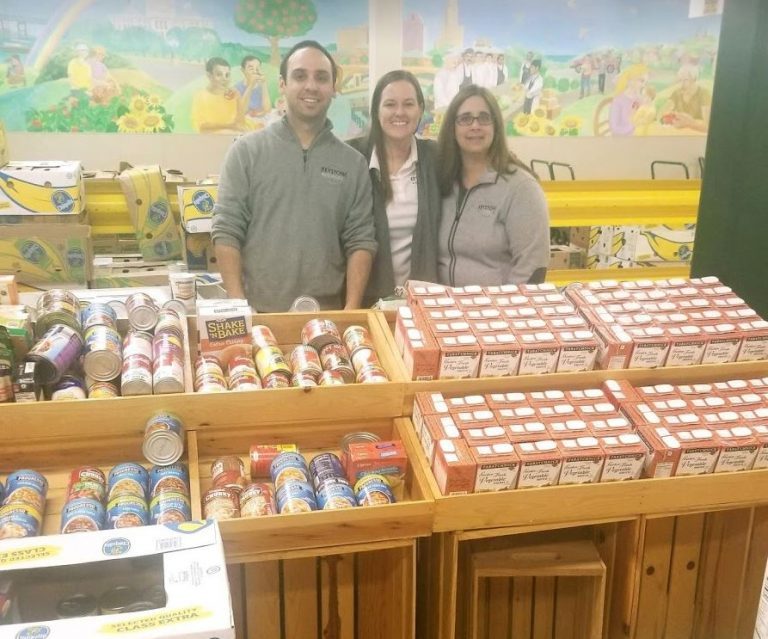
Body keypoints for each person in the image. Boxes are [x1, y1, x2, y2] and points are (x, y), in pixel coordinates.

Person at [211, 40, 376, 311]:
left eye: (321, 77)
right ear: (283, 84)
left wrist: (351, 310)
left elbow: (361, 239)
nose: (311, 86)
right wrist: (239, 306)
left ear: (333, 87)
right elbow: (227, 229)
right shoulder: (246, 152)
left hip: (329, 318)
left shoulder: (353, 163)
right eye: (300, 76)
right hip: (259, 315)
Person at [437, 85, 549, 287]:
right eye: (465, 119)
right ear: (452, 128)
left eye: (484, 118)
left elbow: (532, 268)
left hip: (496, 306)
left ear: (495, 126)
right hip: (442, 304)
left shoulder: (521, 188)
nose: (475, 126)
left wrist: (503, 305)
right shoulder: (442, 182)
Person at [348, 70, 441, 306]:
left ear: (420, 109)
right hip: (364, 302)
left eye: (408, 104)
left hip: (421, 302)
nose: (399, 112)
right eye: (390, 104)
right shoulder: (352, 158)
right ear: (376, 111)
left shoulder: (435, 158)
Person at [190, 57, 243, 134]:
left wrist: (238, 98)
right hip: (211, 136)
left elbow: (239, 122)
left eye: (227, 75)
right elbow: (201, 126)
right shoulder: (200, 95)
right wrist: (229, 126)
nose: (224, 79)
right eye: (219, 75)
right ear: (209, 75)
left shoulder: (233, 94)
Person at [661, 64, 711, 133]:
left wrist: (689, 124)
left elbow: (708, 127)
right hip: (679, 134)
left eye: (686, 80)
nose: (682, 84)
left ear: (694, 79)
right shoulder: (677, 93)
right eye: (680, 80)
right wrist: (671, 115)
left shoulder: (704, 94)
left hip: (696, 135)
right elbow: (661, 114)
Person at [609, 64, 649, 136]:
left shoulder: (639, 98)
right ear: (631, 80)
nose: (643, 85)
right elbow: (615, 128)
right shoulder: (618, 101)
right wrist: (633, 125)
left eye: (645, 82)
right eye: (641, 81)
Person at [235, 55, 272, 127]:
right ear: (243, 70)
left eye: (257, 68)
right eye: (251, 69)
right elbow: (241, 111)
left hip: (261, 120)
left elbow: (267, 109)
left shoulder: (261, 86)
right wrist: (251, 85)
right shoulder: (237, 88)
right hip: (245, 121)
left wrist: (264, 84)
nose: (255, 71)